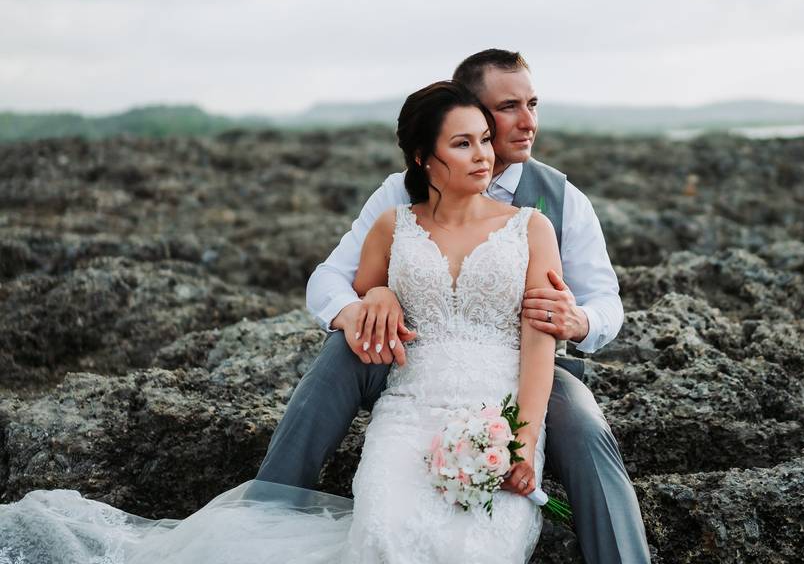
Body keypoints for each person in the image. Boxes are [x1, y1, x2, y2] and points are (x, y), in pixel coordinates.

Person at [0, 81, 560, 563]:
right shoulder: (394, 227)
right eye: (462, 144)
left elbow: (539, 342)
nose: (483, 155)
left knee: (475, 550)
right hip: (409, 415)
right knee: (386, 539)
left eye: (484, 139)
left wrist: (520, 440)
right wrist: (382, 292)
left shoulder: (531, 228)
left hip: (498, 414)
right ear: (422, 158)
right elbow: (357, 291)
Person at [261, 49, 651, 563]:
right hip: (413, 356)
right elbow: (331, 278)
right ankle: (264, 513)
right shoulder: (399, 195)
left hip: (521, 362)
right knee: (342, 352)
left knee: (582, 421)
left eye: (533, 103)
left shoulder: (558, 198)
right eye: (508, 107)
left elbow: (606, 300)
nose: (528, 121)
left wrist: (582, 320)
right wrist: (366, 301)